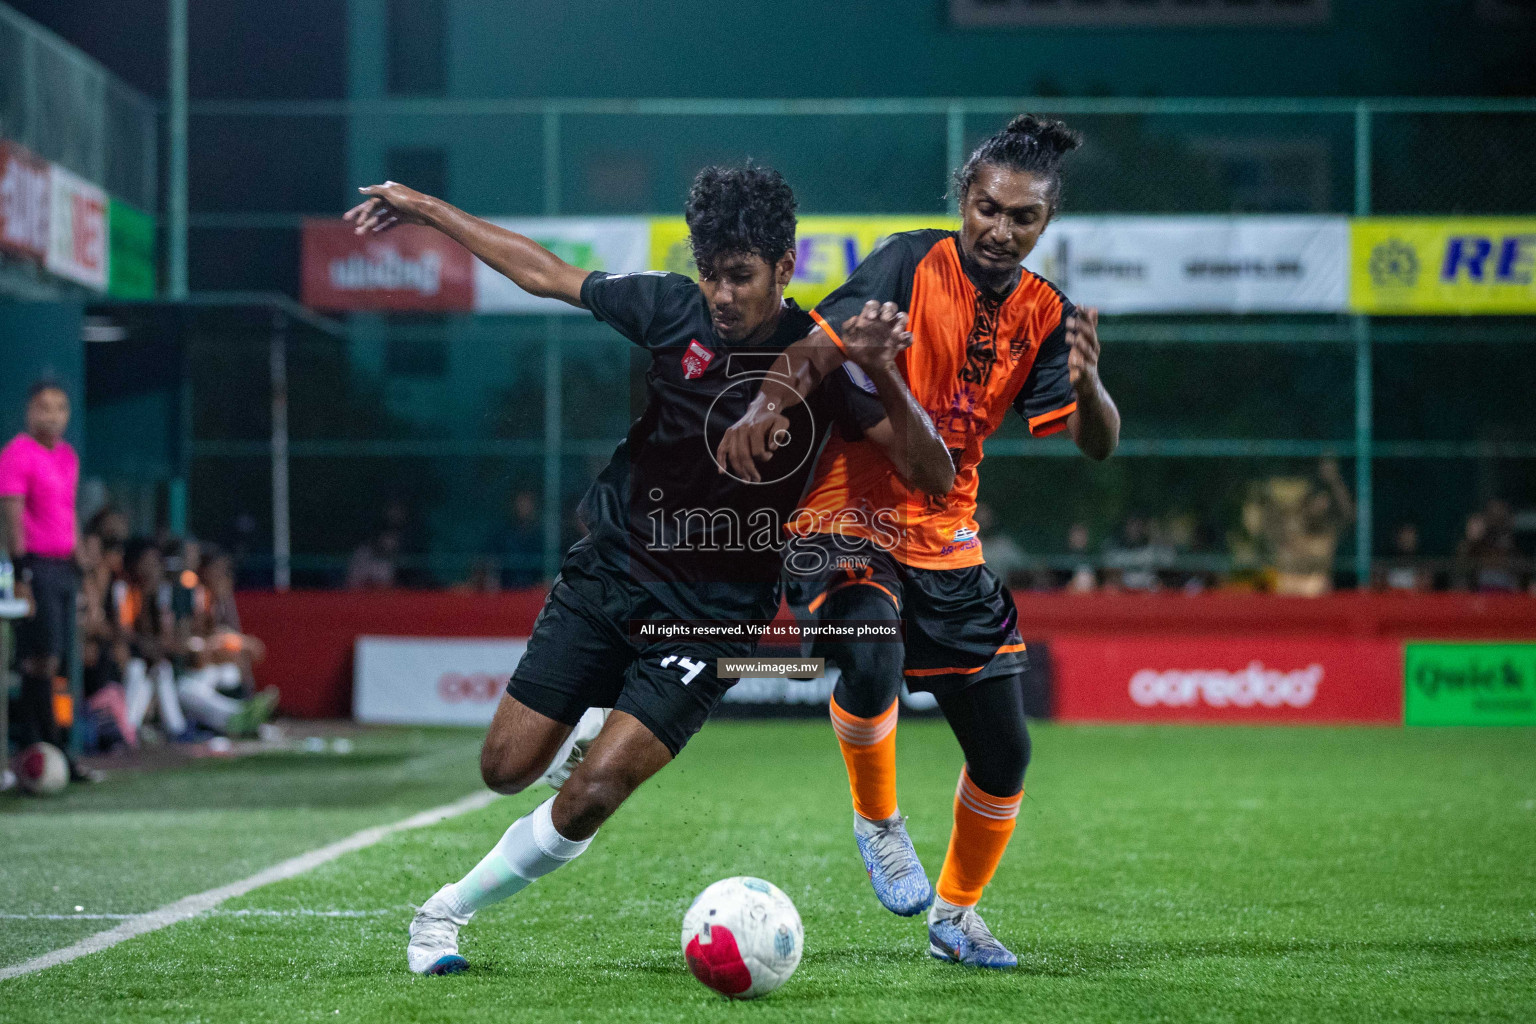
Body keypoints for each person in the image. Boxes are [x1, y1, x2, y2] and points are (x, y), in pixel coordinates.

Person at [344, 163, 953, 975]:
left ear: (786, 264)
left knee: (592, 792)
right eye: (711, 274)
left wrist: (879, 369)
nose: (722, 294)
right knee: (503, 770)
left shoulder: (823, 359)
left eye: (740, 275)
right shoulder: (672, 309)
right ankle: (591, 717)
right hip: (611, 571)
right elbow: (545, 271)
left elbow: (934, 476)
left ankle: (442, 915)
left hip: (713, 615)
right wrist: (423, 208)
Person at [718, 114, 1120, 968]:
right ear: (963, 199)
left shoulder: (1047, 313)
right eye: (987, 208)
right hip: (846, 513)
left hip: (946, 533)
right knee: (871, 653)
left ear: (1046, 223)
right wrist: (764, 407)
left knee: (1007, 751)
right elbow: (813, 349)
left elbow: (1095, 442)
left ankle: (955, 919)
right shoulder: (908, 260)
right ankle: (880, 821)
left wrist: (1090, 386)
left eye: (1023, 218)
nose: (1000, 230)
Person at [0, 381, 99, 782]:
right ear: (29, 412)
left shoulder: (67, 457)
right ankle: (40, 749)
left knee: (55, 660)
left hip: (62, 568)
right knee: (36, 660)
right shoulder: (16, 455)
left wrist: (83, 564)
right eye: (44, 407)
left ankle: (50, 748)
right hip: (33, 567)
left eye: (61, 407)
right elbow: (11, 517)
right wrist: (20, 573)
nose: (53, 415)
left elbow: (68, 511)